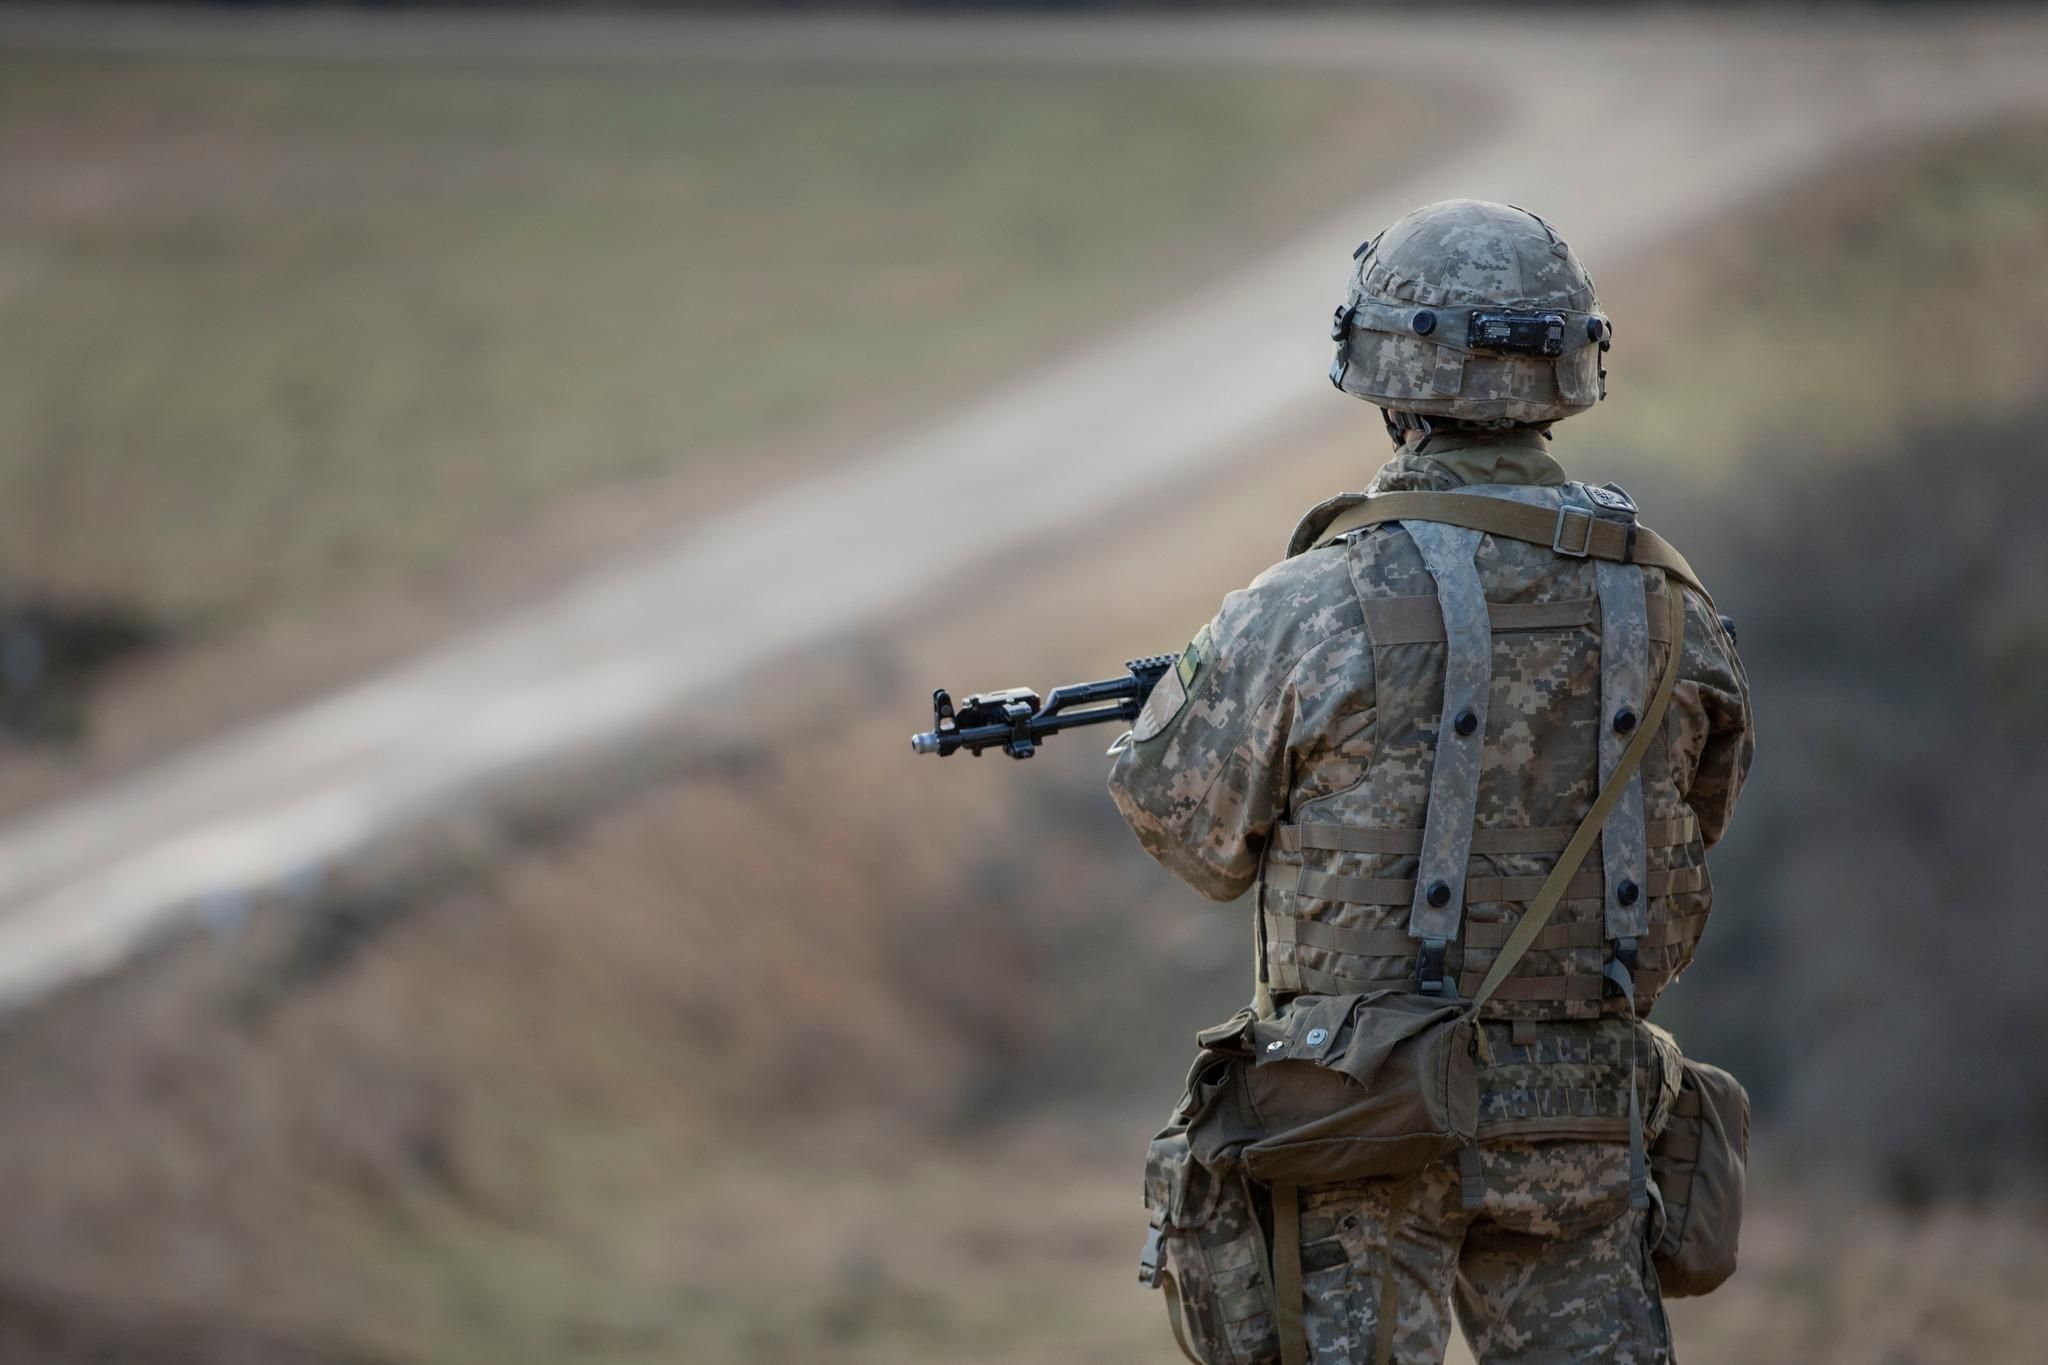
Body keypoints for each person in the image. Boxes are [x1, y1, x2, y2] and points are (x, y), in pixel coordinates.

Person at [1109, 199, 1753, 1364]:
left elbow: (1191, 837)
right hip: (1580, 1113)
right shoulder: (1671, 607)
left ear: (1381, 369)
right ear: (1569, 364)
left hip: (1360, 1121)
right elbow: (1702, 812)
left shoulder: (1306, 602)